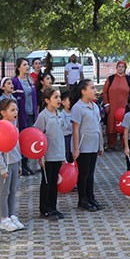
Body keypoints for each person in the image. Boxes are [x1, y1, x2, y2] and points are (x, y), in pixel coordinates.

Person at [33, 88, 66, 219]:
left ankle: (53, 207)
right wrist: (40, 156)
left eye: (59, 97)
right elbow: (37, 135)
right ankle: (44, 209)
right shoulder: (43, 116)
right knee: (46, 182)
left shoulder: (60, 114)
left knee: (54, 182)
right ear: (47, 100)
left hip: (58, 153)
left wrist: (63, 154)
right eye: (55, 97)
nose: (59, 100)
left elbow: (61, 134)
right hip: (47, 155)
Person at [71, 79, 104, 211]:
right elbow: (75, 129)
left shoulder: (95, 106)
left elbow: (98, 126)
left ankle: (91, 197)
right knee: (83, 173)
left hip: (94, 144)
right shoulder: (78, 108)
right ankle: (82, 199)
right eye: (92, 88)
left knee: (91, 173)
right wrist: (76, 148)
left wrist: (101, 144)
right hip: (83, 146)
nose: (95, 91)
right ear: (83, 92)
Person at [0, 98, 24, 232]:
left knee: (13, 191)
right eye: (12, 110)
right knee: (4, 192)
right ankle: (4, 218)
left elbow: (17, 147)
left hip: (15, 163)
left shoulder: (14, 126)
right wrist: (2, 168)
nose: (15, 112)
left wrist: (20, 164)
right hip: (5, 166)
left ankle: (12, 215)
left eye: (16, 109)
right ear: (3, 113)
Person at [102, 61, 130, 151]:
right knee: (111, 125)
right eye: (119, 66)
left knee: (124, 125)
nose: (120, 68)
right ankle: (111, 145)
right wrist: (106, 104)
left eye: (122, 67)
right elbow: (105, 92)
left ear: (125, 68)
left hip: (124, 107)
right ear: (116, 67)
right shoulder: (110, 79)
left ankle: (123, 145)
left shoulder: (129, 79)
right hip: (112, 106)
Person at [12, 58, 38, 175]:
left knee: (28, 139)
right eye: (24, 65)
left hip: (31, 113)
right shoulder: (15, 82)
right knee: (21, 139)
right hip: (21, 115)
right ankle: (21, 164)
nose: (27, 67)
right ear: (18, 67)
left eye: (28, 65)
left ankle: (26, 163)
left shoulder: (30, 81)